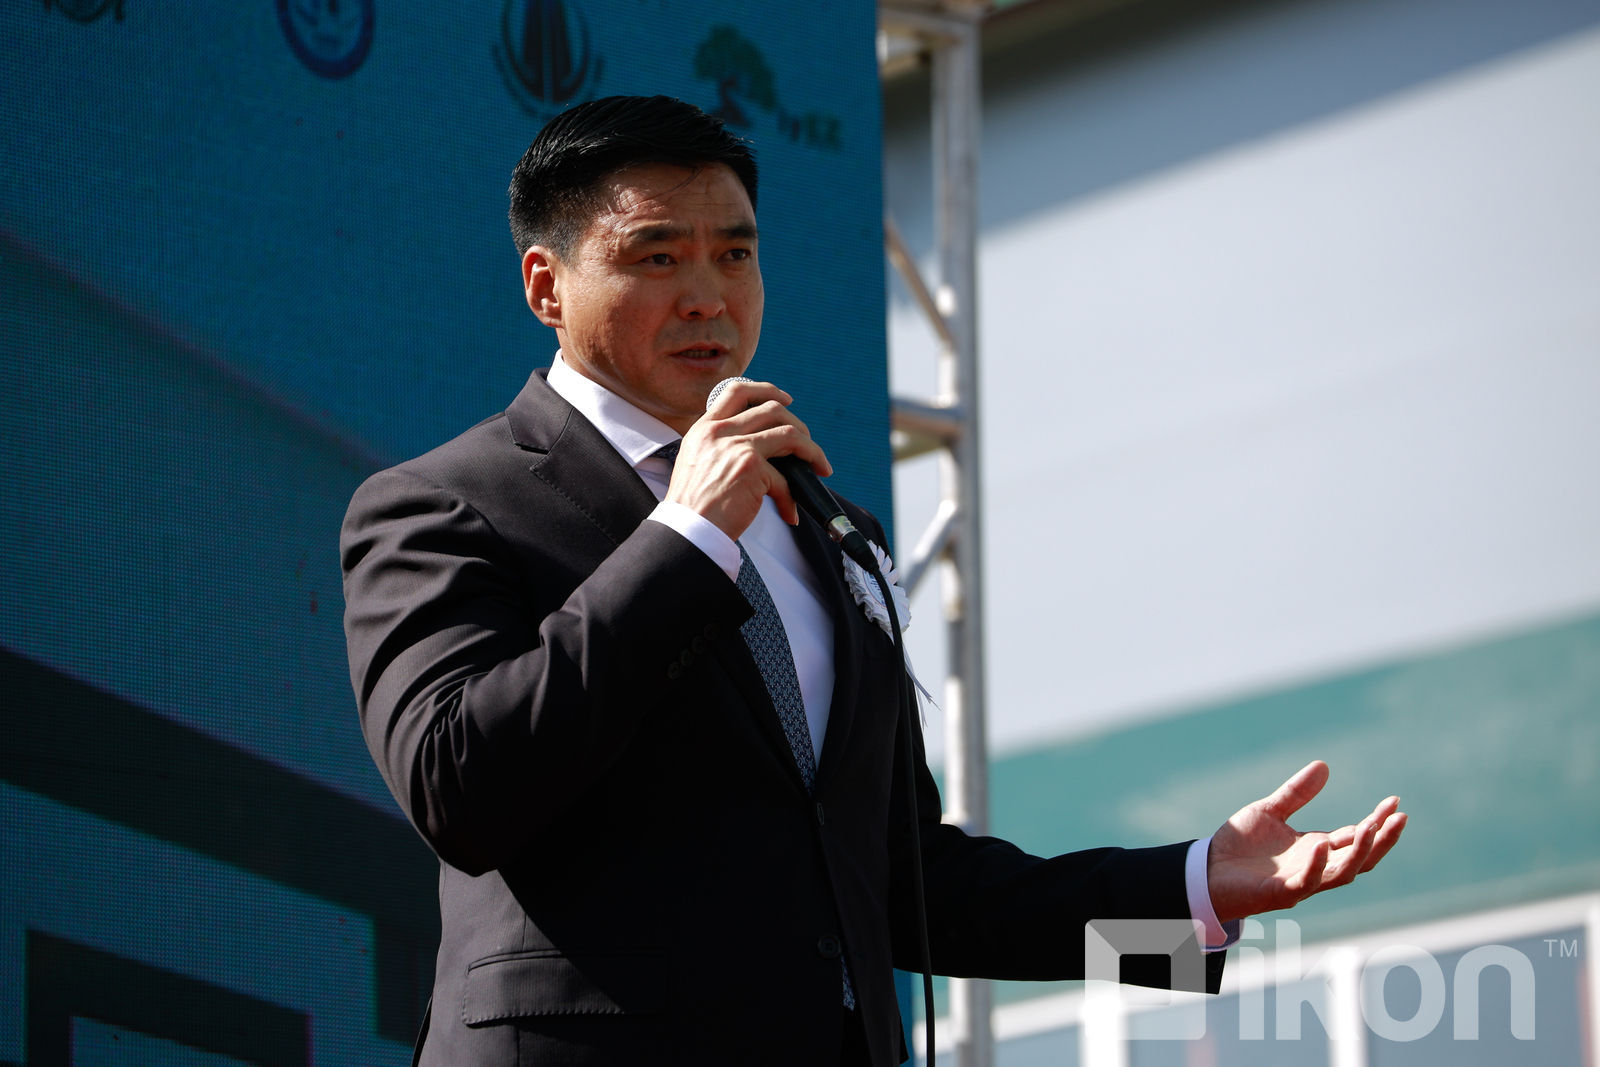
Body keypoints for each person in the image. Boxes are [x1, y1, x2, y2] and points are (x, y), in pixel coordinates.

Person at [340, 94, 1405, 1066]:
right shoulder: (444, 502)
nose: (707, 295)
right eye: (656, 256)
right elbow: (459, 789)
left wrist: (1192, 893)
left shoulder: (824, 522)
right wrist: (688, 534)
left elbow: (902, 885)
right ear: (546, 285)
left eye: (735, 253)